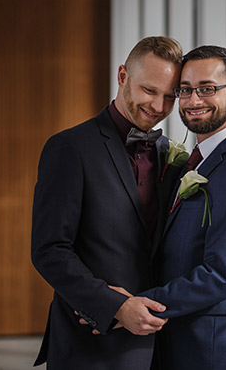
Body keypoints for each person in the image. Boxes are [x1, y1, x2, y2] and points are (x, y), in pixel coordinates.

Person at [31, 36, 184, 369]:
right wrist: (112, 304)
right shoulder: (69, 148)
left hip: (163, 343)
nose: (158, 107)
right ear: (122, 77)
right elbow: (50, 249)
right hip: (92, 342)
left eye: (170, 96)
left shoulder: (173, 157)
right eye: (150, 90)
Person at [134, 45, 226, 369]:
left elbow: (220, 275)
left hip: (222, 350)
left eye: (207, 89)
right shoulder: (196, 161)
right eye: (185, 90)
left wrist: (142, 305)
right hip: (187, 344)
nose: (193, 100)